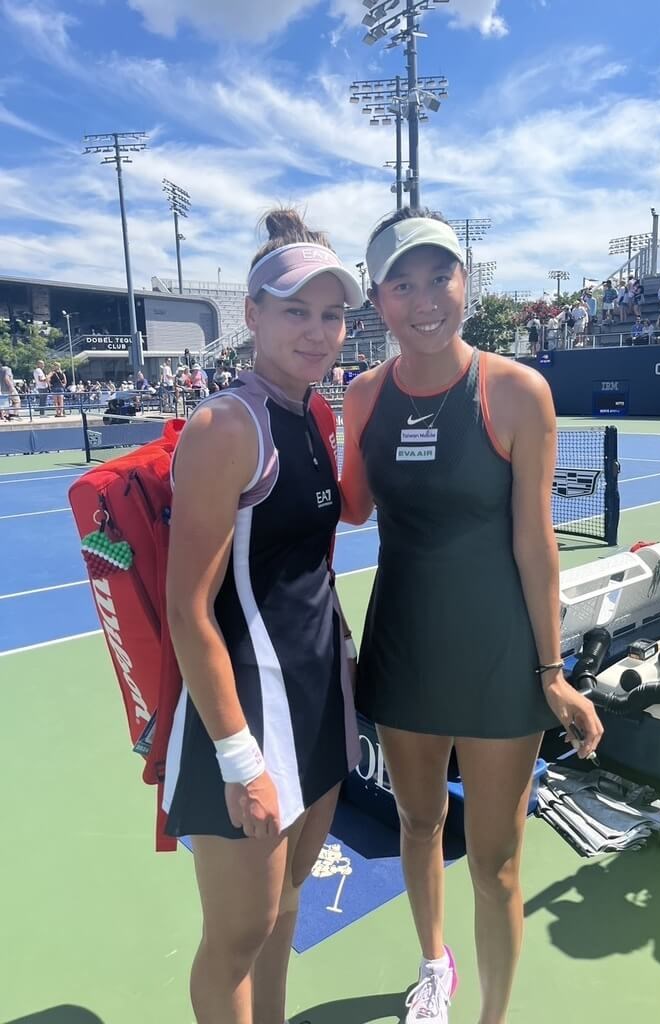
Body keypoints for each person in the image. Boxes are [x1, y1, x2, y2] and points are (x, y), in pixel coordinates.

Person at [341, 209, 603, 1024]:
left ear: (466, 283)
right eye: (402, 284)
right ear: (379, 302)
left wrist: (553, 673)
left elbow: (537, 545)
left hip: (498, 658)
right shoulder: (360, 397)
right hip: (403, 649)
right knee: (418, 823)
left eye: (438, 277)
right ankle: (434, 966)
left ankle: (493, 1017)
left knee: (495, 866)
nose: (424, 300)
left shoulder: (517, 390)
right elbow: (345, 509)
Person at [164, 208, 363, 1024]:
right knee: (238, 938)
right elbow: (187, 608)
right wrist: (242, 759)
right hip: (246, 722)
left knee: (287, 913)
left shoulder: (313, 416)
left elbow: (324, 548)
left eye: (330, 315)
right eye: (294, 312)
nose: (316, 333)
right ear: (250, 314)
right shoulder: (225, 426)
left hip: (317, 708)